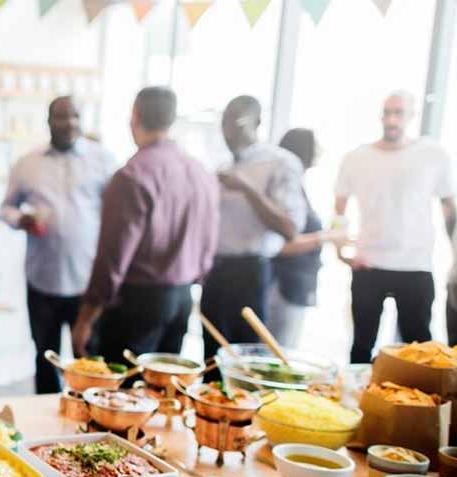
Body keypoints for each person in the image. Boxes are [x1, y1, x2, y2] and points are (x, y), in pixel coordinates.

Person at [72, 87, 220, 362]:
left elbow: (112, 259)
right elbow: (209, 242)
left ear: (134, 116)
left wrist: (85, 318)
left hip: (137, 302)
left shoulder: (132, 175)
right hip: (182, 296)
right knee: (162, 390)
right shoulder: (200, 171)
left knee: (123, 394)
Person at [2, 96, 117, 393]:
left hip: (87, 282)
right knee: (44, 356)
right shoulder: (27, 164)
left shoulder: (103, 160)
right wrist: (20, 219)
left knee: (90, 360)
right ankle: (45, 424)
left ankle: (89, 424)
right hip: (42, 279)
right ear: (49, 121)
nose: (69, 123)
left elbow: (116, 212)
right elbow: (6, 208)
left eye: (75, 116)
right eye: (61, 117)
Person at [337, 91, 456, 363]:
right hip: (369, 263)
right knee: (361, 346)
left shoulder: (432, 154)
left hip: (415, 265)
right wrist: (340, 250)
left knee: (420, 350)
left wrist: (454, 257)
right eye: (387, 113)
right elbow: (339, 210)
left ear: (410, 116)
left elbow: (450, 209)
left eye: (399, 113)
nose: (392, 119)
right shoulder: (357, 157)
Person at [201, 95, 307, 361]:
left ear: (257, 122)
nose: (228, 130)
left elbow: (290, 228)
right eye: (224, 122)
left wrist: (247, 189)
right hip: (215, 271)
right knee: (212, 358)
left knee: (245, 360)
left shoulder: (280, 163)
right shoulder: (223, 167)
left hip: (250, 272)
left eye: (237, 122)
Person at [270, 129, 343, 347]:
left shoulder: (297, 187)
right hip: (283, 284)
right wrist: (325, 237)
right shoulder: (284, 189)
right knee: (277, 354)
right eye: (315, 145)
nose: (320, 151)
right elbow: (278, 246)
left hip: (294, 285)